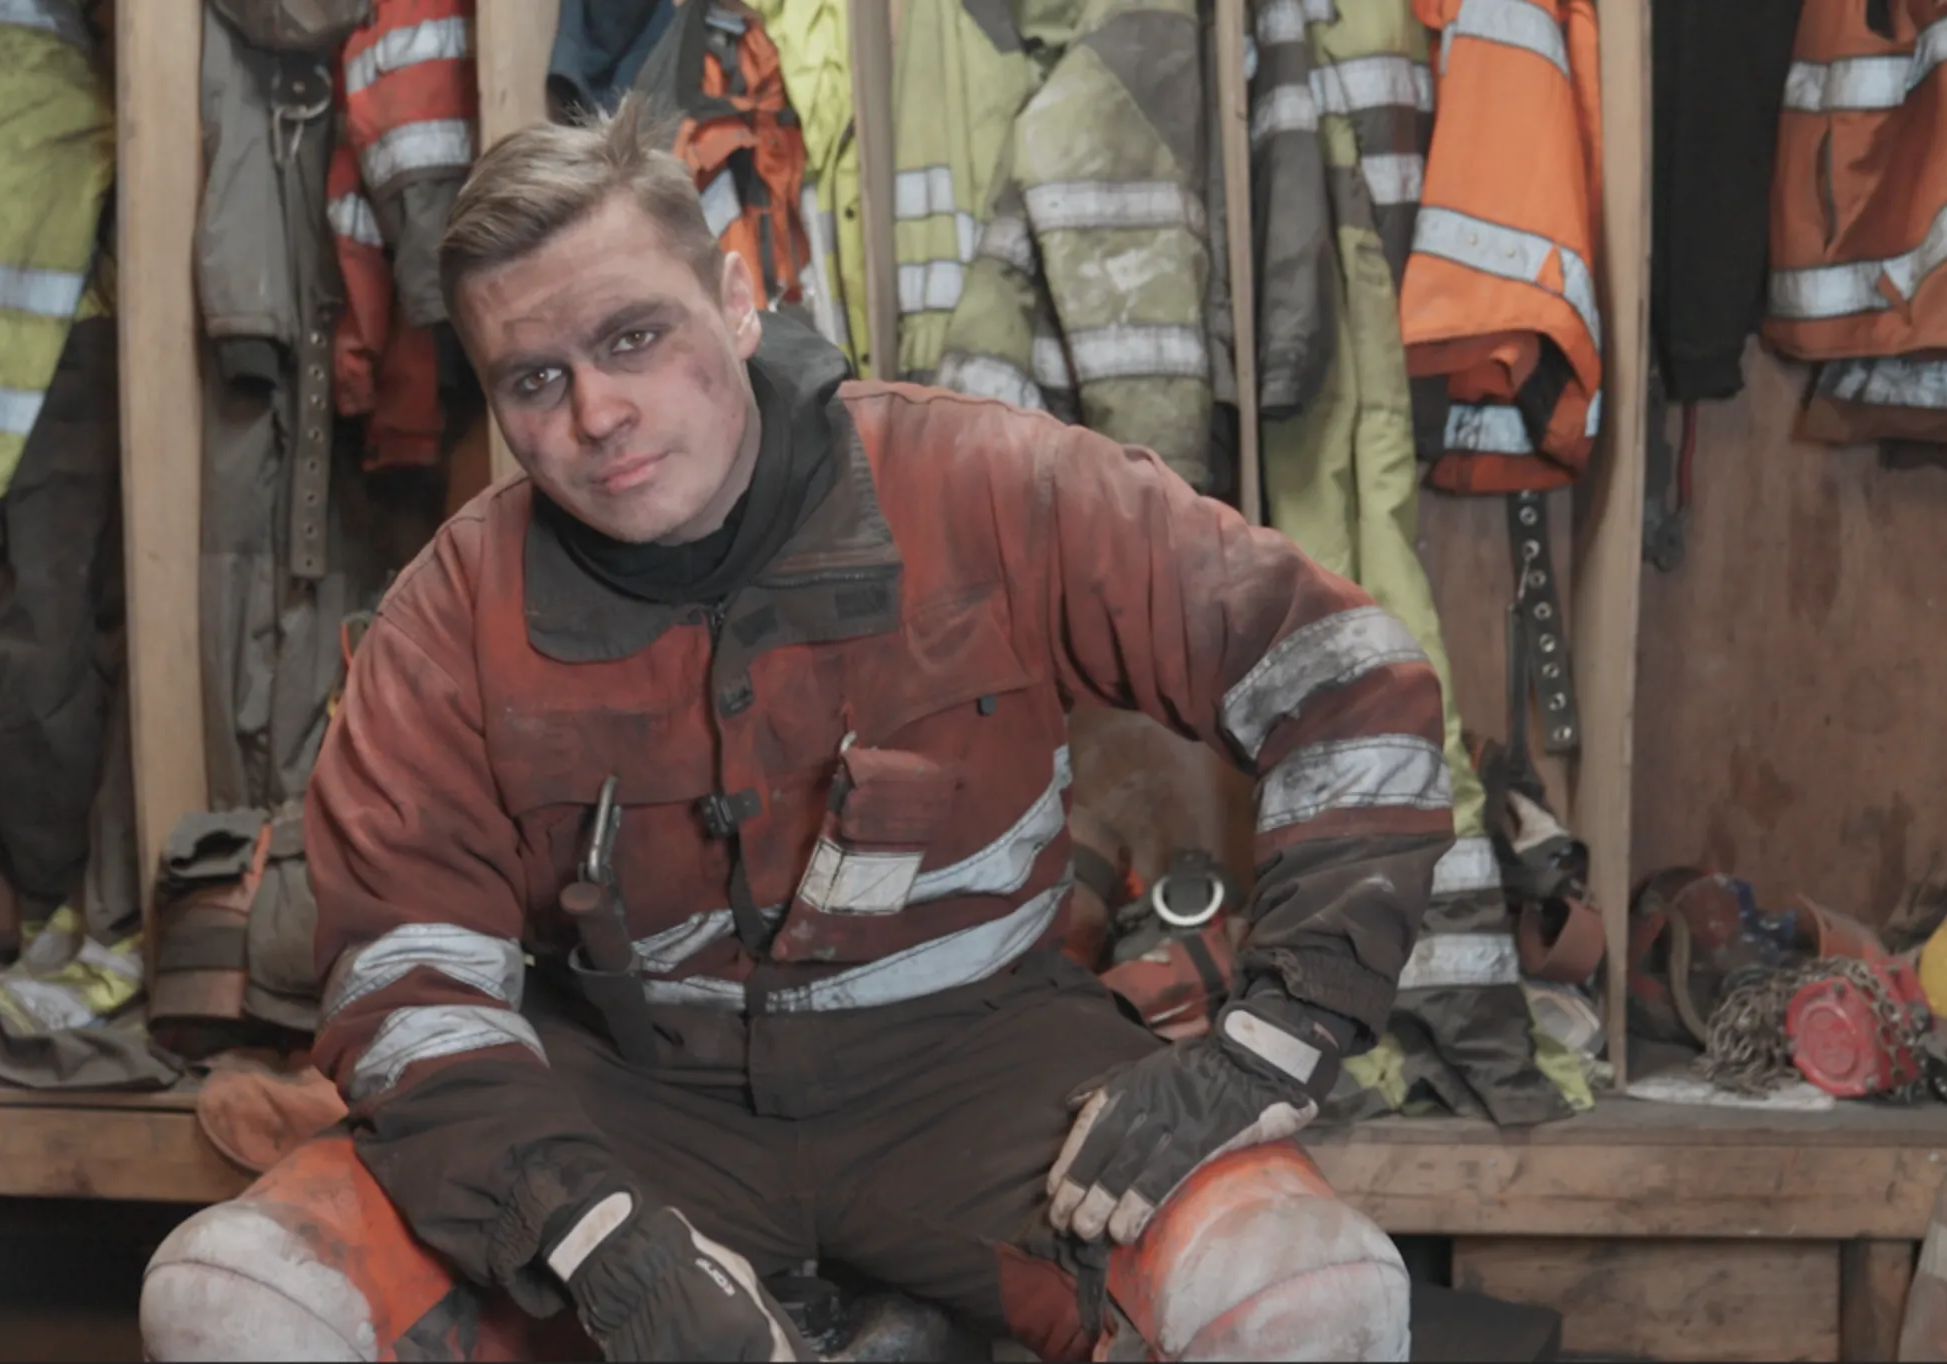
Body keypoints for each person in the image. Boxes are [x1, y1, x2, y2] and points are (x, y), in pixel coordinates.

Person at [141, 93, 1448, 1363]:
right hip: (622, 1108)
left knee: (1309, 1301)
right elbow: (410, 994)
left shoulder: (993, 488)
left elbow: (1351, 677)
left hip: (990, 1084)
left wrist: (1269, 1046)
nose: (597, 416)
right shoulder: (445, 622)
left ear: (736, 297)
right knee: (228, 1300)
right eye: (537, 380)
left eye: (636, 339)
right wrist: (604, 1247)